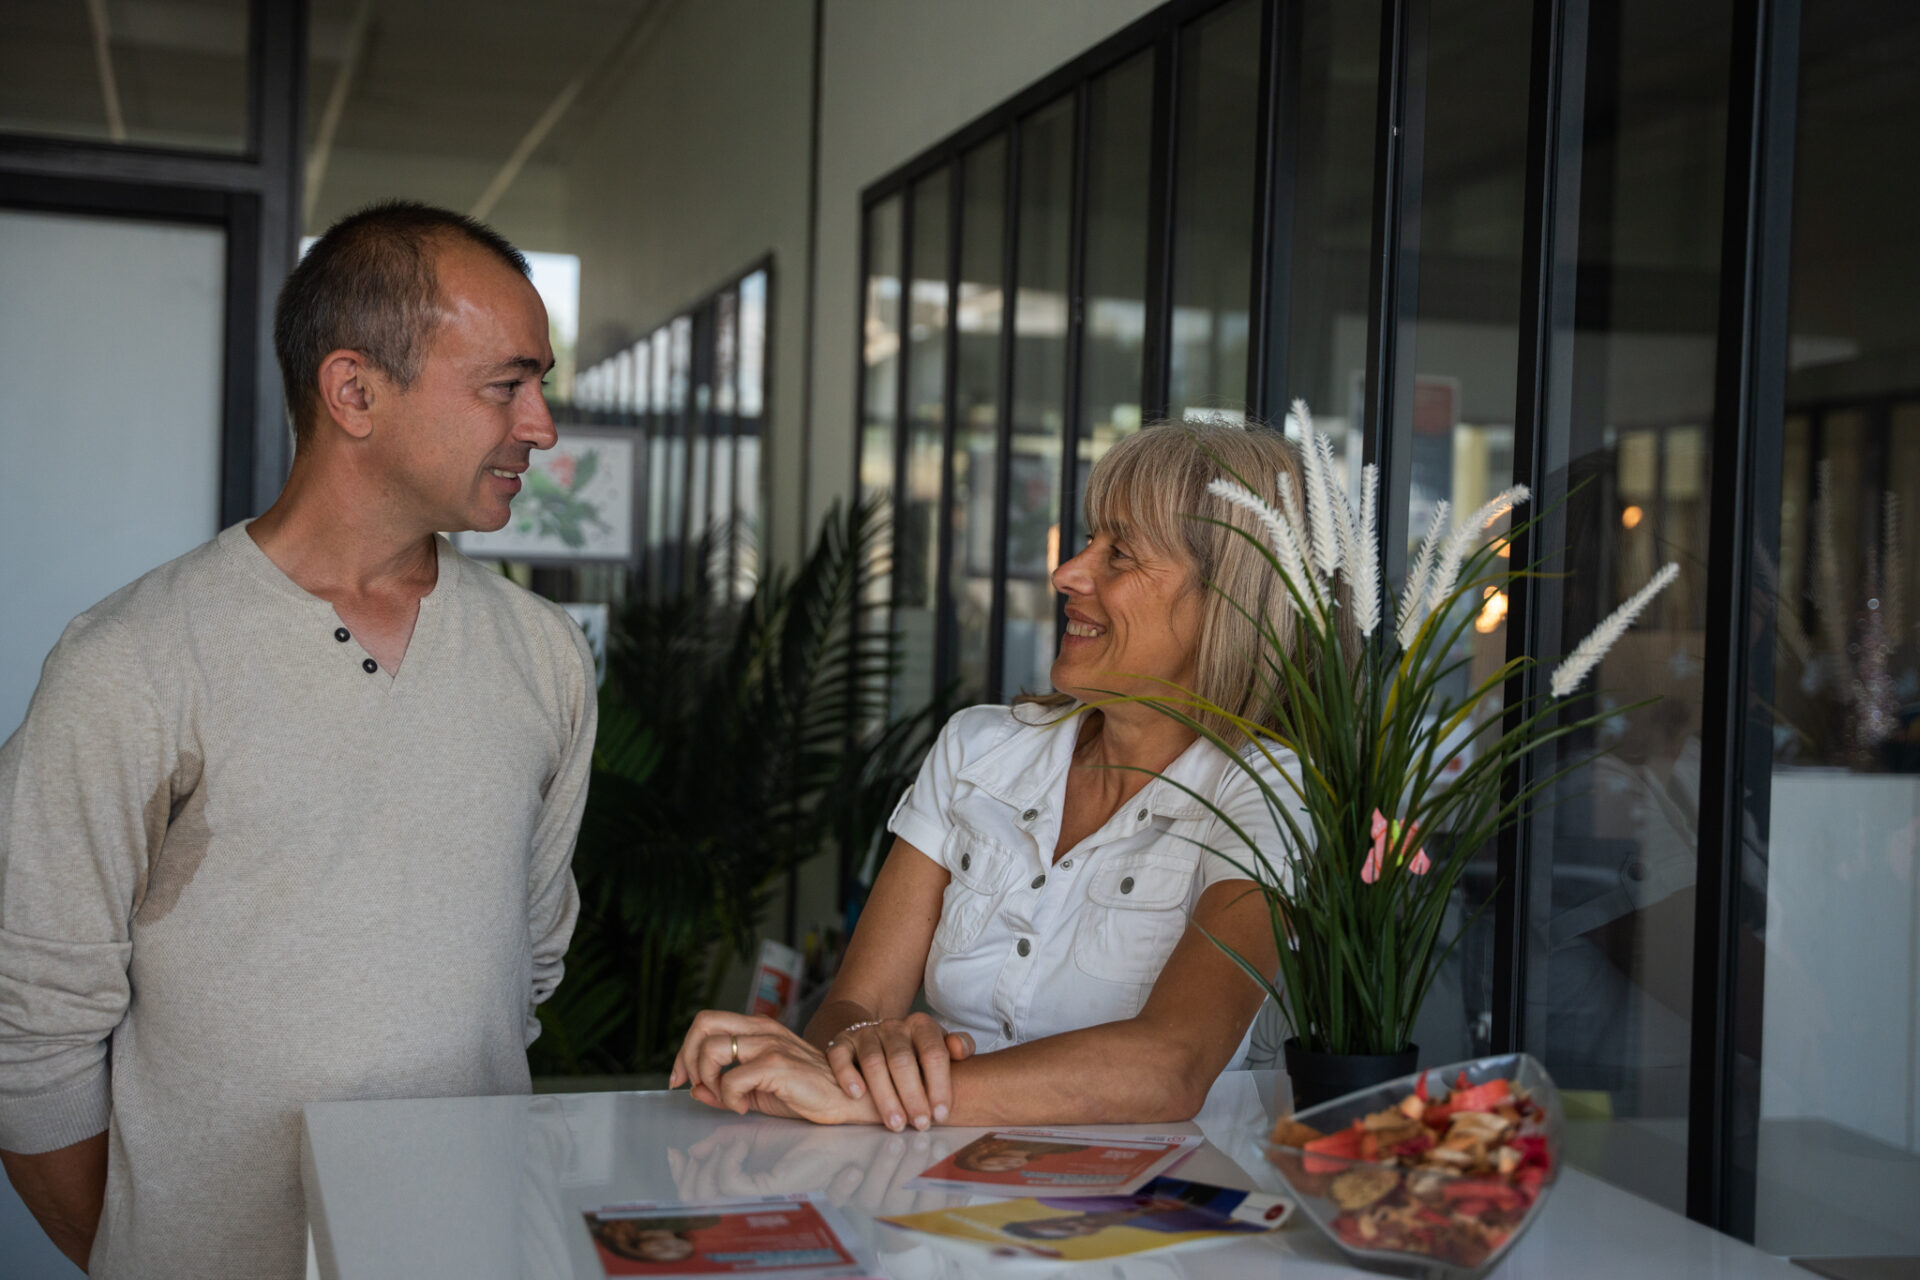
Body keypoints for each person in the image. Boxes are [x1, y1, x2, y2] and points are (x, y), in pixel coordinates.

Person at [0, 201, 597, 1279]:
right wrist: (158, 1253)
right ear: (355, 391)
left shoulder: (544, 656)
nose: (542, 424)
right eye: (506, 384)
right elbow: (28, 1030)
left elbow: (528, 960)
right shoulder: (130, 662)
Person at [670, 421, 1311, 1130]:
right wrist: (866, 1051)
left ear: (1225, 602)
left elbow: (1173, 1066)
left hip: (1154, 1223)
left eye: (1120, 554)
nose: (1068, 572)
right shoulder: (977, 748)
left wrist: (880, 1095)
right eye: (1089, 539)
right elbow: (854, 1007)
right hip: (932, 1206)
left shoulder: (1271, 791)